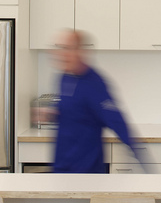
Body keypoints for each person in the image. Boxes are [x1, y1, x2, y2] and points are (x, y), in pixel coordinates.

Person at [51, 29, 141, 173]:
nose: (61, 54)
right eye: (60, 48)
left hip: (87, 171)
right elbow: (71, 112)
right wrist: (51, 113)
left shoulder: (95, 84)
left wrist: (139, 156)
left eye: (67, 48)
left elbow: (116, 120)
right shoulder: (64, 78)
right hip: (61, 167)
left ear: (80, 51)